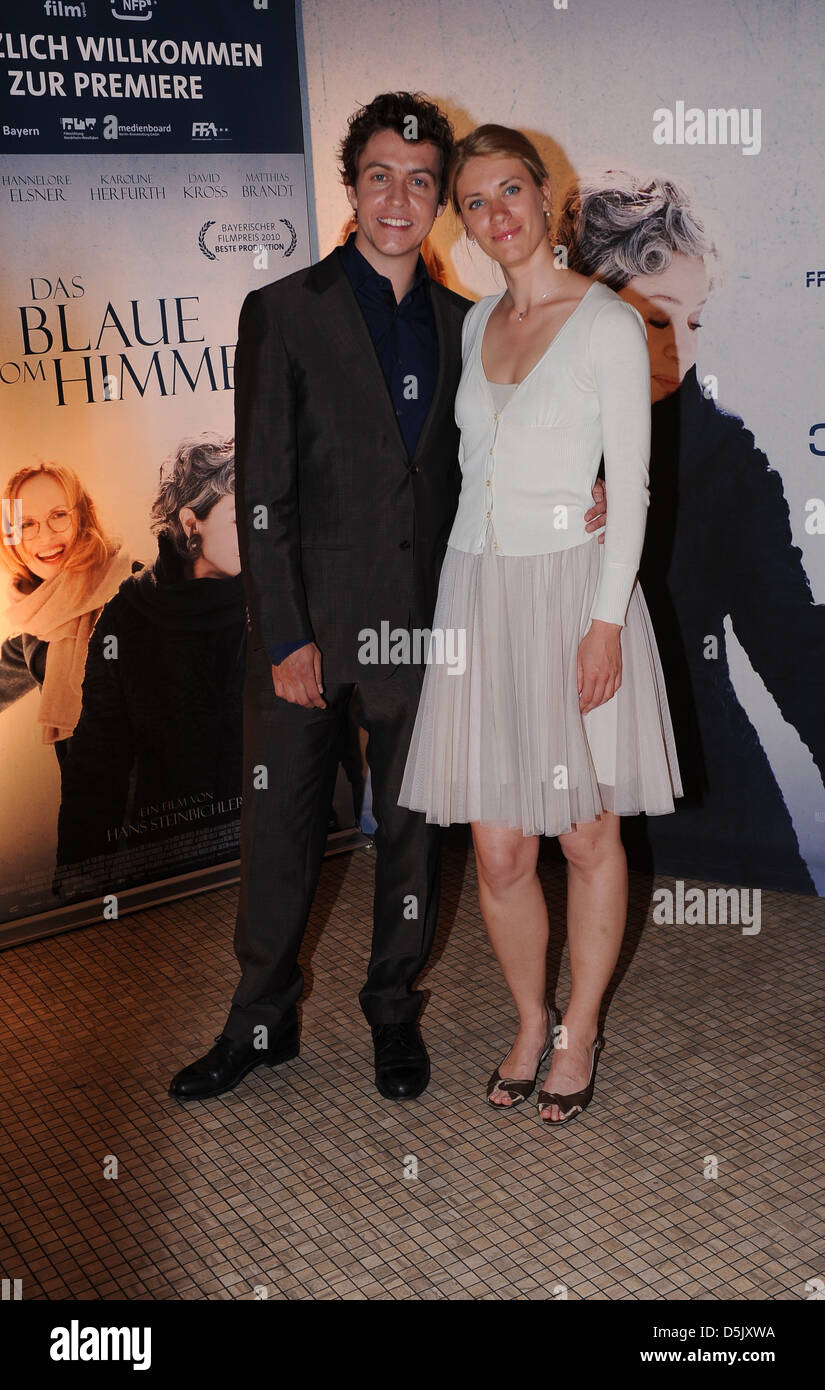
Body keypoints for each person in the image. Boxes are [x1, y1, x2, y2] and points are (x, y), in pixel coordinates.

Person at [168, 91, 609, 1105]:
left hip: (426, 628)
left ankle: (391, 1010)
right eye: (380, 176)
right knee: (282, 833)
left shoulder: (472, 325)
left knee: (410, 831)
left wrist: (580, 494)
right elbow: (265, 494)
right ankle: (259, 1018)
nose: (400, 198)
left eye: (421, 181)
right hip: (306, 633)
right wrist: (284, 631)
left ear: (439, 201)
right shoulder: (281, 312)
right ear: (352, 187)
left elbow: (499, 462)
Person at [399, 126, 682, 1124]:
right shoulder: (474, 323)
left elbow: (633, 489)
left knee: (588, 833)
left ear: (545, 191)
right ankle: (528, 1018)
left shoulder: (607, 321)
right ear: (462, 218)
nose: (495, 215)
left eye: (509, 190)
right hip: (478, 595)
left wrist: (605, 623)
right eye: (473, 202)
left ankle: (581, 1028)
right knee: (500, 849)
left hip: (574, 599)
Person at [556, 172, 825, 893]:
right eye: (653, 317)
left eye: (695, 318)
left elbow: (791, 641)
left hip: (700, 786)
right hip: (553, 776)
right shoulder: (514, 428)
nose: (681, 347)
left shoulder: (724, 457)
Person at [55, 437, 245, 894]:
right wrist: (82, 866)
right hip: (173, 862)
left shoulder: (274, 601)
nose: (260, 532)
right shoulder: (131, 613)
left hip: (274, 845)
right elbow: (99, 749)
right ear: (190, 523)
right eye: (242, 520)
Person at [0, 462, 132, 771]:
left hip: (172, 805)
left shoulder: (140, 588)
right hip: (91, 811)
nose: (44, 536)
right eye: (26, 524)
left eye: (58, 516)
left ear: (83, 518)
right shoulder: (35, 629)